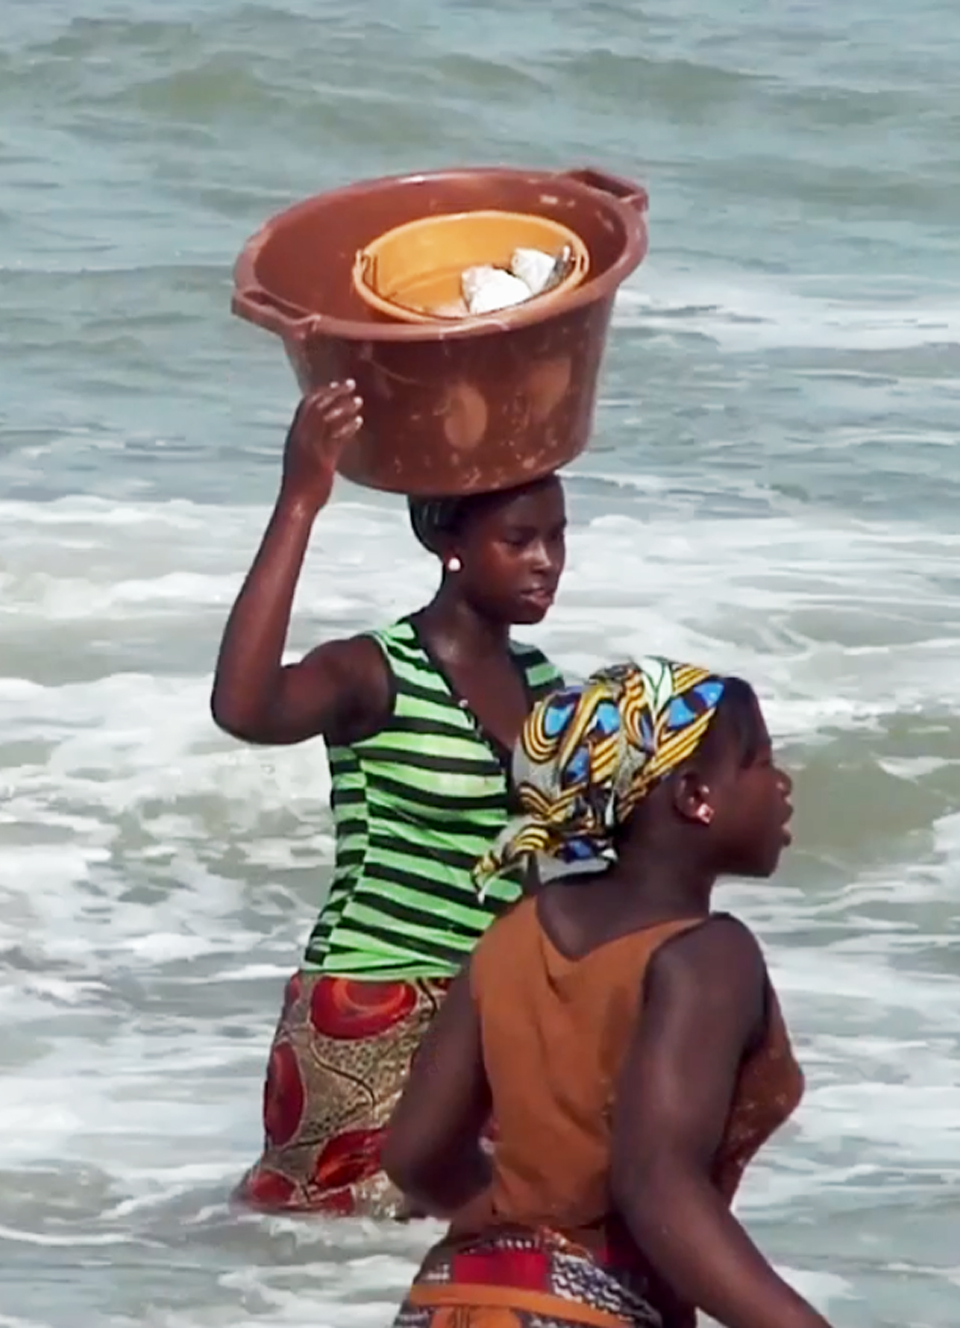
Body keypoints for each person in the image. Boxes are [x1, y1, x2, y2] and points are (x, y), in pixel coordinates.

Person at [210, 377, 570, 1218]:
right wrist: (301, 500)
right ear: (450, 543)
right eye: (519, 539)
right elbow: (243, 706)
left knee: (464, 1258)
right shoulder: (375, 673)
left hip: (492, 1021)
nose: (547, 560)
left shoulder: (548, 689)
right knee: (316, 1263)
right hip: (369, 1007)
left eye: (558, 536)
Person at [377, 659, 820, 1328]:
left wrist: (522, 1229)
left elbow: (416, 1154)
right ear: (694, 796)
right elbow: (655, 1184)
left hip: (449, 1300)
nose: (781, 785)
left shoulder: (515, 933)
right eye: (758, 762)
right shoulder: (707, 956)